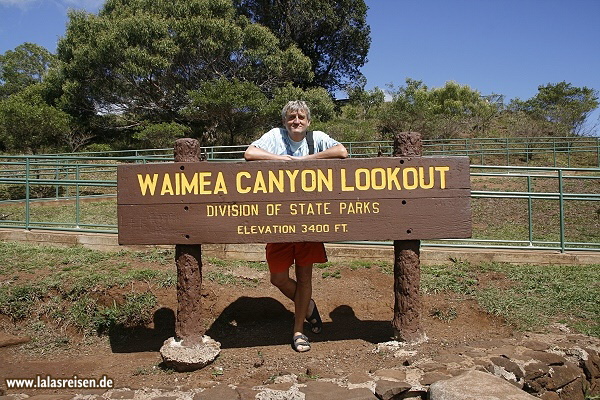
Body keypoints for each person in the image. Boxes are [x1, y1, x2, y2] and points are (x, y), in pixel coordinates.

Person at [244, 100, 348, 352]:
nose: (296, 121)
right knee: (278, 277)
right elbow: (250, 154)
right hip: (278, 220)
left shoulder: (317, 138)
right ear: (284, 121)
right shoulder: (275, 136)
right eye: (291, 117)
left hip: (309, 219)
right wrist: (280, 159)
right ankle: (309, 307)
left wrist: (307, 160)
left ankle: (298, 330)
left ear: (308, 121)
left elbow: (342, 152)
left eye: (301, 117)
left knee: (304, 276)